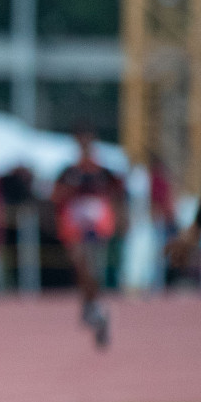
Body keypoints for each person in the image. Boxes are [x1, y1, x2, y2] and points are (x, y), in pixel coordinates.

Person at [52, 126, 125, 349]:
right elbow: (55, 196)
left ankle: (94, 306)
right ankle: (90, 303)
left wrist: (121, 218)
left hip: (97, 225)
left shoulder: (103, 172)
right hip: (74, 224)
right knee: (81, 265)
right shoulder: (68, 172)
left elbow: (118, 195)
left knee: (92, 267)